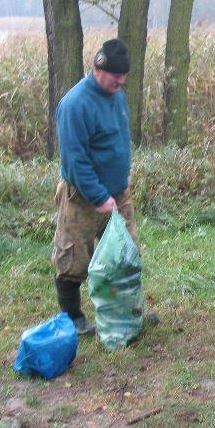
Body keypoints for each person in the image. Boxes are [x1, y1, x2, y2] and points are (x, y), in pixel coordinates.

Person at [51, 38, 142, 335]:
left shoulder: (117, 95)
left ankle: (124, 313)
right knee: (73, 256)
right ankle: (73, 318)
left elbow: (118, 138)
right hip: (83, 196)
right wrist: (98, 196)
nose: (121, 80)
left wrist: (123, 175)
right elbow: (75, 160)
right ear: (98, 67)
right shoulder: (75, 104)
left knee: (126, 253)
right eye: (116, 75)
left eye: (124, 74)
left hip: (118, 193)